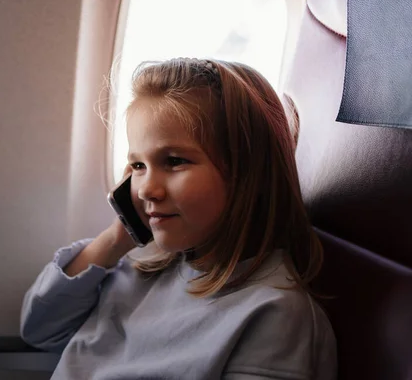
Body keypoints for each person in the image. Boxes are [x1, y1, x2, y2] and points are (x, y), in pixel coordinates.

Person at [20, 58, 337, 379]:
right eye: (138, 166)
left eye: (173, 161)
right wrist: (116, 239)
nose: (146, 190)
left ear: (248, 174)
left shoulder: (273, 314)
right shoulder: (141, 266)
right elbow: (39, 330)